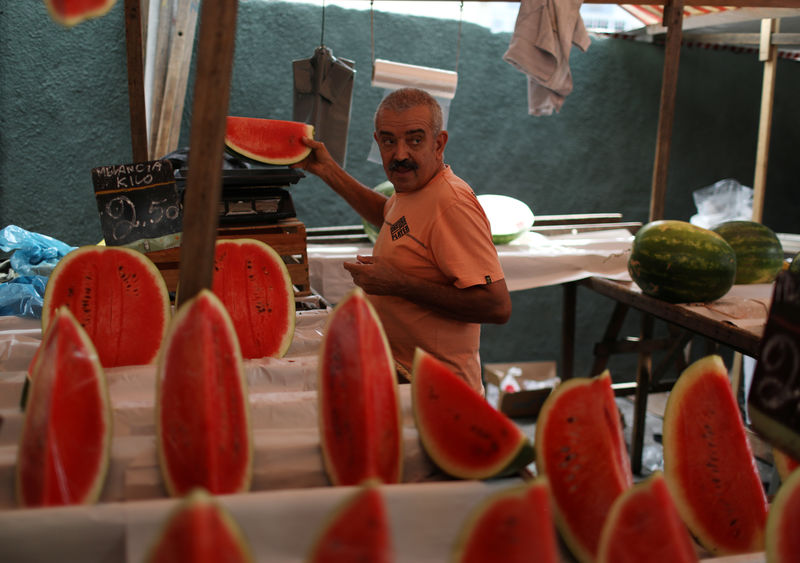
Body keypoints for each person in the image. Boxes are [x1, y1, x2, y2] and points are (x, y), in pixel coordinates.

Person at [295, 87, 511, 394]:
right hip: (399, 376)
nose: (399, 154)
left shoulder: (450, 203)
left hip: (438, 390)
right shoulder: (411, 190)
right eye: (388, 141)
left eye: (415, 139)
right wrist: (328, 170)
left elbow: (497, 306)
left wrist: (398, 284)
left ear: (439, 143)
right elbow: (390, 217)